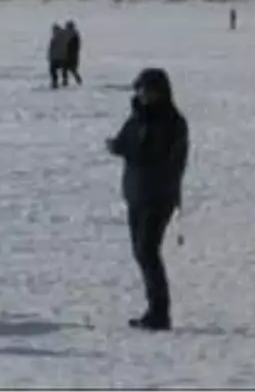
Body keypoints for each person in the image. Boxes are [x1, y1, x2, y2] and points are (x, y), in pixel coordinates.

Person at [106, 69, 189, 332]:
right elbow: (125, 142)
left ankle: (159, 312)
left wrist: (125, 149)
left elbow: (154, 154)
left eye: (148, 90)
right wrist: (117, 146)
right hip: (137, 192)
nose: (143, 94)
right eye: (140, 89)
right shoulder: (139, 116)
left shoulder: (170, 121)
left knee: (147, 251)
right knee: (142, 252)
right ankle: (155, 310)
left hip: (158, 194)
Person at [47, 24, 70, 89]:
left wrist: (50, 56)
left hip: (57, 57)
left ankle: (56, 82)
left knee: (53, 70)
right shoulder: (63, 37)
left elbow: (51, 48)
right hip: (61, 57)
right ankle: (64, 81)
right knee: (63, 69)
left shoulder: (56, 38)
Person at [63, 21, 83, 86]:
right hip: (68, 54)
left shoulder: (73, 35)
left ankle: (78, 80)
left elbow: (76, 46)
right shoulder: (71, 34)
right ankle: (65, 82)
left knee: (71, 69)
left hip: (71, 55)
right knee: (66, 69)